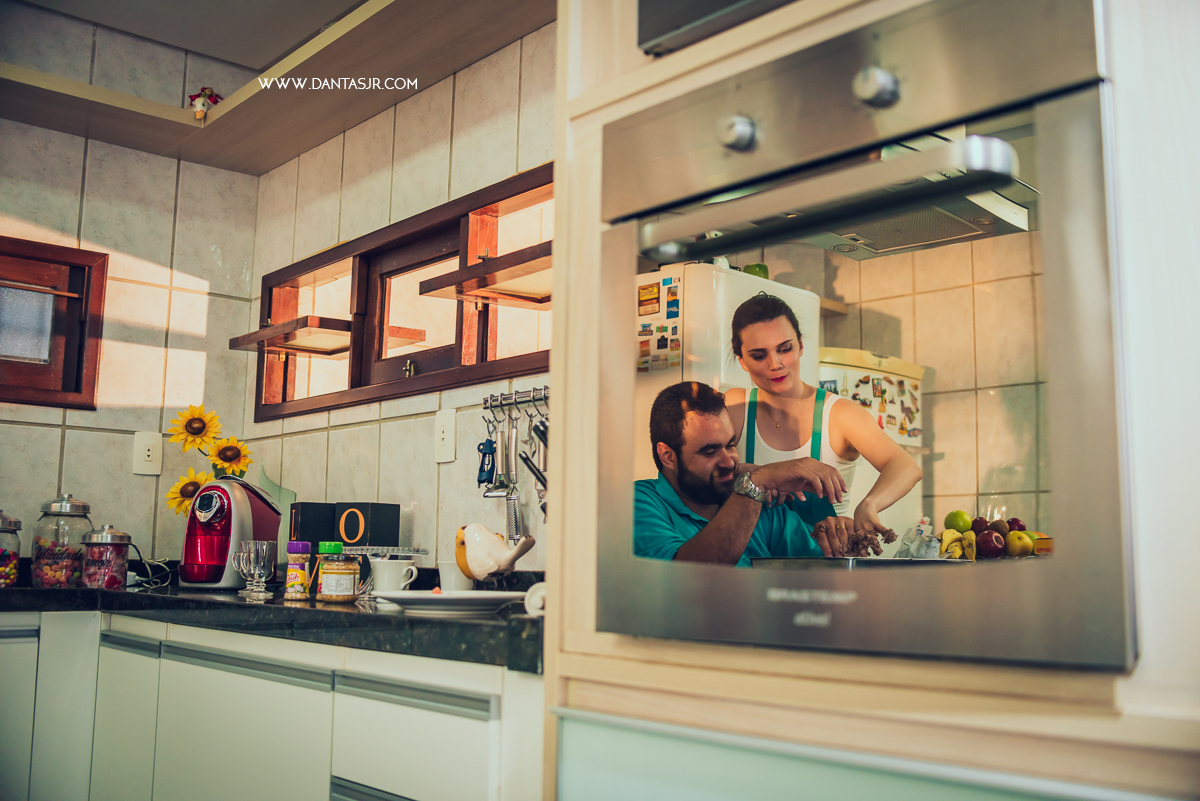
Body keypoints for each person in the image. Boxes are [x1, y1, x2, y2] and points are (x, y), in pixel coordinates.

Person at [725, 293, 923, 553]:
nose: (776, 364)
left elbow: (906, 465)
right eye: (759, 355)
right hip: (748, 563)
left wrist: (869, 504)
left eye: (785, 349)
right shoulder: (735, 407)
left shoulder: (838, 413)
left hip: (823, 563)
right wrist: (759, 475)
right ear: (742, 361)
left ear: (801, 346)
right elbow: (701, 474)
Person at [634, 381, 858, 566]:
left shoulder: (758, 509)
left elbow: (822, 567)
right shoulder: (638, 502)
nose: (728, 461)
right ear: (667, 455)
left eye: (730, 445)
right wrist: (755, 484)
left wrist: (836, 540)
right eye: (710, 451)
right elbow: (685, 576)